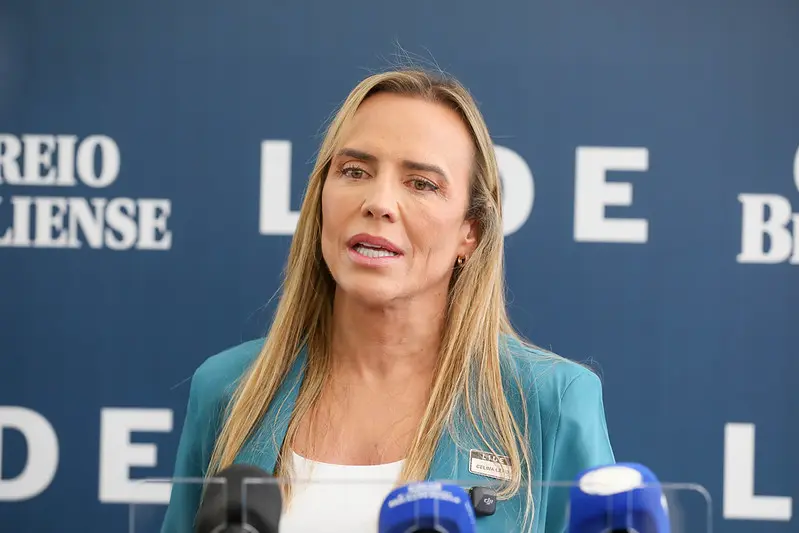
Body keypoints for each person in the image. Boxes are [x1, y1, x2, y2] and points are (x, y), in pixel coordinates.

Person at [160, 67, 615, 533]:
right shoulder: (227, 389)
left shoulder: (551, 404)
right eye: (354, 171)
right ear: (320, 200)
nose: (378, 202)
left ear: (470, 232)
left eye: (421, 183)